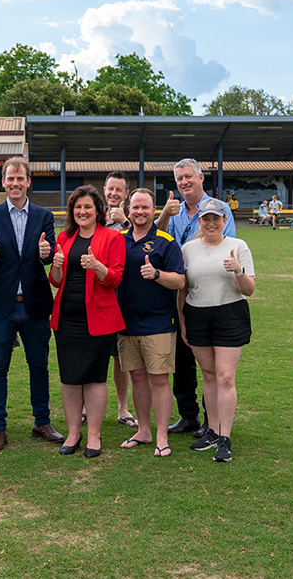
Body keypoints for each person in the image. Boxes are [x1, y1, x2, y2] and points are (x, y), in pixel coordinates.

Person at [0, 158, 64, 452]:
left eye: (20, 179)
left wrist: (46, 252)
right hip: (1, 305)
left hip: (34, 304)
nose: (15, 184)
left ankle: (42, 421)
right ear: (4, 183)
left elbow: (49, 253)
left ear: (29, 182)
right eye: (10, 179)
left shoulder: (43, 216)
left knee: (39, 366)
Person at [155, 158, 235, 438]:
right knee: (179, 359)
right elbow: (155, 240)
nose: (184, 182)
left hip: (208, 295)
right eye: (179, 179)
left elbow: (226, 246)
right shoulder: (173, 211)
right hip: (176, 292)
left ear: (202, 177)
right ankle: (188, 415)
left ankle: (211, 422)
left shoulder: (218, 210)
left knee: (210, 363)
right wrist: (164, 213)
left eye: (189, 177)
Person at [49, 185, 125, 458]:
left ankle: (94, 435)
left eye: (88, 207)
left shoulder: (112, 238)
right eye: (78, 207)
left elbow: (116, 278)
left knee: (94, 379)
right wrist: (57, 265)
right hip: (67, 318)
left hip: (99, 319)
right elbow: (56, 281)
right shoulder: (64, 237)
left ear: (98, 211)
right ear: (72, 211)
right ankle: (73, 433)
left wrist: (97, 266)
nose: (82, 211)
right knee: (69, 379)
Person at [177, 198, 255, 463]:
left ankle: (225, 436)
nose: (211, 223)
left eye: (216, 219)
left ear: (224, 221)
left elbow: (249, 290)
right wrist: (183, 321)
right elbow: (184, 290)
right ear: (199, 221)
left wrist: (238, 271)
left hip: (230, 313)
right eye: (206, 219)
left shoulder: (238, 246)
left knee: (225, 377)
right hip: (197, 314)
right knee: (209, 375)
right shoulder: (188, 249)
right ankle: (211, 431)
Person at [115, 188, 186, 457]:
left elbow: (179, 281)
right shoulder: (118, 239)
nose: (140, 212)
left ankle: (161, 436)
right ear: (128, 209)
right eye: (135, 207)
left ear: (154, 210)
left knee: (159, 380)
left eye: (145, 207)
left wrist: (156, 273)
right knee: (137, 377)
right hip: (126, 323)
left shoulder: (166, 242)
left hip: (158, 322)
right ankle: (143, 431)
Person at [102, 171, 137, 429]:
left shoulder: (133, 217)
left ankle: (123, 408)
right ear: (104, 190)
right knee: (92, 352)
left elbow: (139, 244)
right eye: (110, 188)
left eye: (119, 190)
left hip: (122, 296)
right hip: (96, 295)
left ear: (126, 194)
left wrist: (125, 222)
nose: (114, 193)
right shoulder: (92, 213)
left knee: (120, 357)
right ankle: (83, 407)